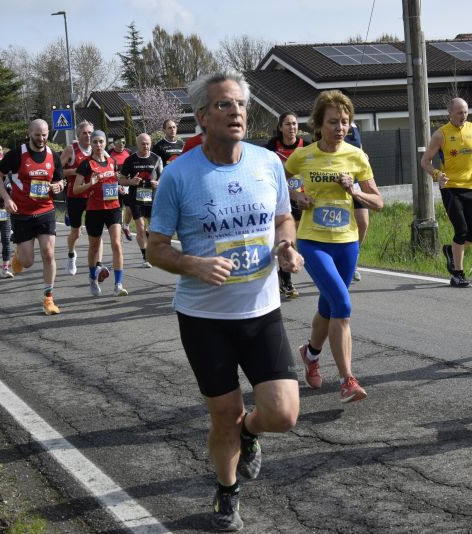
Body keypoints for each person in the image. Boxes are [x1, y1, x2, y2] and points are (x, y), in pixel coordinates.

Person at [148, 71, 303, 532]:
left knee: (283, 414)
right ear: (201, 117)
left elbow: (284, 218)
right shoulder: (179, 175)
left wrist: (287, 245)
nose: (236, 112)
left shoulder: (267, 163)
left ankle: (251, 434)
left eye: (240, 104)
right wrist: (194, 265)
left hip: (261, 310)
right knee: (225, 415)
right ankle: (227, 490)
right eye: (223, 105)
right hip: (204, 318)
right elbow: (155, 249)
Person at [285, 89, 384, 403]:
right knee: (341, 303)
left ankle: (311, 354)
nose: (340, 127)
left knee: (328, 306)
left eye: (344, 121)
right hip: (313, 241)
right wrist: (296, 195)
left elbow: (378, 201)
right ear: (318, 124)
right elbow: (279, 182)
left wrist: (355, 191)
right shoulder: (303, 155)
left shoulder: (356, 157)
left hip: (347, 242)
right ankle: (347, 380)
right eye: (333, 122)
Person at [0, 119, 65, 315]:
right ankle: (18, 255)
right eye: (37, 135)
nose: (41, 138)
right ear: (30, 133)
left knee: (48, 253)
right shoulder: (16, 155)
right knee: (27, 262)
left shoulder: (53, 156)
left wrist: (59, 185)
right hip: (22, 213)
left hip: (46, 210)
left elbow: (60, 180)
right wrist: (7, 198)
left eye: (44, 135)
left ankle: (48, 299)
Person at [421, 97, 472, 288]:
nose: (463, 116)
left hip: (470, 186)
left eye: (465, 112)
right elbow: (425, 161)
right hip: (450, 187)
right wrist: (437, 174)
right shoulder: (441, 135)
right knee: (461, 230)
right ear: (450, 113)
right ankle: (458, 274)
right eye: (459, 113)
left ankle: (451, 250)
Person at [72, 130, 129, 297]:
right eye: (95, 142)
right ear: (91, 144)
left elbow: (113, 181)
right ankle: (92, 278)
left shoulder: (112, 162)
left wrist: (119, 187)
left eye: (101, 142)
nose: (98, 145)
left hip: (113, 208)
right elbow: (76, 189)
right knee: (94, 247)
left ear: (106, 143)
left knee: (116, 244)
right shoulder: (86, 164)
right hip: (94, 210)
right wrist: (90, 183)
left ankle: (118, 285)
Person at [265, 111, 307, 298]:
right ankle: (286, 281)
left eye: (295, 124)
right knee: (286, 240)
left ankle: (282, 274)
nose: (292, 127)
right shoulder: (271, 148)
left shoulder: (307, 146)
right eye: (288, 124)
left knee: (295, 239)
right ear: (280, 127)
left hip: (302, 199)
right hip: (279, 198)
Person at [119, 133, 162, 268]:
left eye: (148, 143)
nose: (146, 146)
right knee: (140, 226)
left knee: (154, 227)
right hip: (135, 197)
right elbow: (121, 179)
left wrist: (157, 183)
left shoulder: (156, 158)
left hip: (152, 196)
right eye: (143, 144)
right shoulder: (130, 160)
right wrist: (131, 181)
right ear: (137, 144)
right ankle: (145, 257)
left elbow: (163, 176)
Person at [61, 120, 96, 276]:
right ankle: (71, 254)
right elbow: (57, 171)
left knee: (94, 232)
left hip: (93, 196)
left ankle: (96, 264)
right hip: (75, 195)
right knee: (76, 232)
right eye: (85, 133)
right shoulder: (71, 149)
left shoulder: (97, 148)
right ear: (78, 135)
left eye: (90, 133)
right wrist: (76, 171)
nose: (88, 136)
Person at [343, 121, 368, 282]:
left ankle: (353, 260)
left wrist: (364, 155)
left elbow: (360, 148)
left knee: (363, 222)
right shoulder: (329, 124)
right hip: (336, 182)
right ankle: (341, 261)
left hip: (356, 182)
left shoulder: (354, 126)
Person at [107, 137, 134, 241]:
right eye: (119, 142)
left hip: (126, 184)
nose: (121, 144)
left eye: (123, 142)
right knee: (117, 210)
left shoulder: (129, 152)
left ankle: (126, 226)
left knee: (130, 208)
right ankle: (118, 234)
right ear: (114, 144)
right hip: (113, 185)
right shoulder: (108, 153)